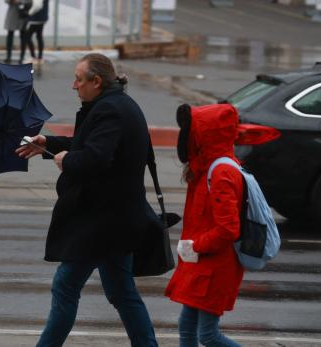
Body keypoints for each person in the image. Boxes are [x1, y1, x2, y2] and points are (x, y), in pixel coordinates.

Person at [15, 53, 159, 347]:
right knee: (122, 292)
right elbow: (91, 145)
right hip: (116, 219)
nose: (73, 85)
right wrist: (49, 143)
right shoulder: (116, 105)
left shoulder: (111, 111)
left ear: (96, 81)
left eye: (79, 79)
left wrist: (67, 160)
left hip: (102, 223)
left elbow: (95, 158)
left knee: (66, 285)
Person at [165, 103, 244, 347]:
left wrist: (195, 246)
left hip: (214, 267)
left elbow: (228, 229)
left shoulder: (220, 172)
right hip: (201, 266)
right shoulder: (208, 167)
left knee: (207, 335)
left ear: (204, 135)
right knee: (187, 329)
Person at [19, 0, 48, 66]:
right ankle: (39, 58)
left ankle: (34, 57)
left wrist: (29, 13)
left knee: (27, 37)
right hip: (42, 18)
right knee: (39, 37)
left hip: (35, 19)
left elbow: (37, 5)